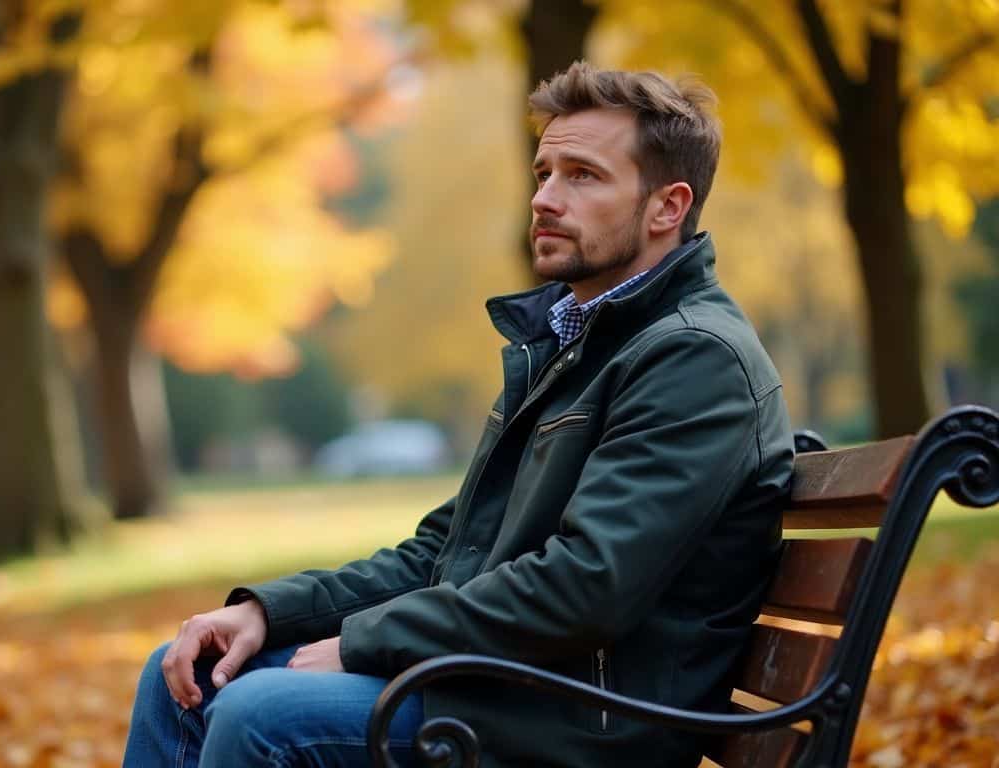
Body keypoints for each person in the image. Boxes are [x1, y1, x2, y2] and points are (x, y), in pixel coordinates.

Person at [123, 62, 794, 768]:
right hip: (508, 686)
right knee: (179, 677)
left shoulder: (694, 360)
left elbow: (585, 587)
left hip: (582, 723)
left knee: (261, 715)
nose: (545, 198)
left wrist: (362, 642)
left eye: (583, 176)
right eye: (544, 173)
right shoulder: (578, 349)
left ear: (667, 207)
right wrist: (268, 612)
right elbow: (441, 556)